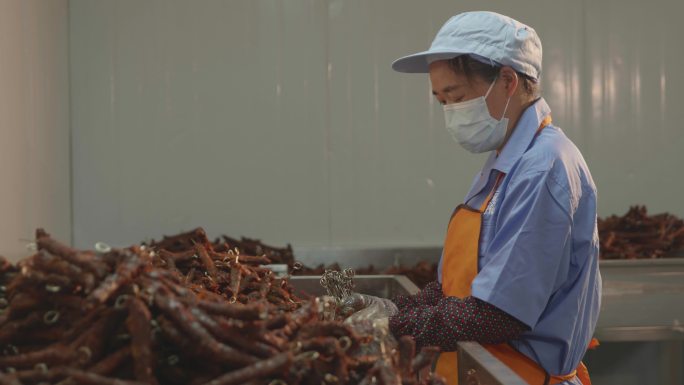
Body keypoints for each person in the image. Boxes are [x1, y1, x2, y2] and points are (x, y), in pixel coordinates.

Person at [343, 11, 601, 385]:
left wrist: (393, 323)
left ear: (508, 80)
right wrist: (398, 306)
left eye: (457, 96)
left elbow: (497, 313)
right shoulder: (505, 162)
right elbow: (468, 282)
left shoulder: (544, 167)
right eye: (441, 100)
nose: (450, 112)